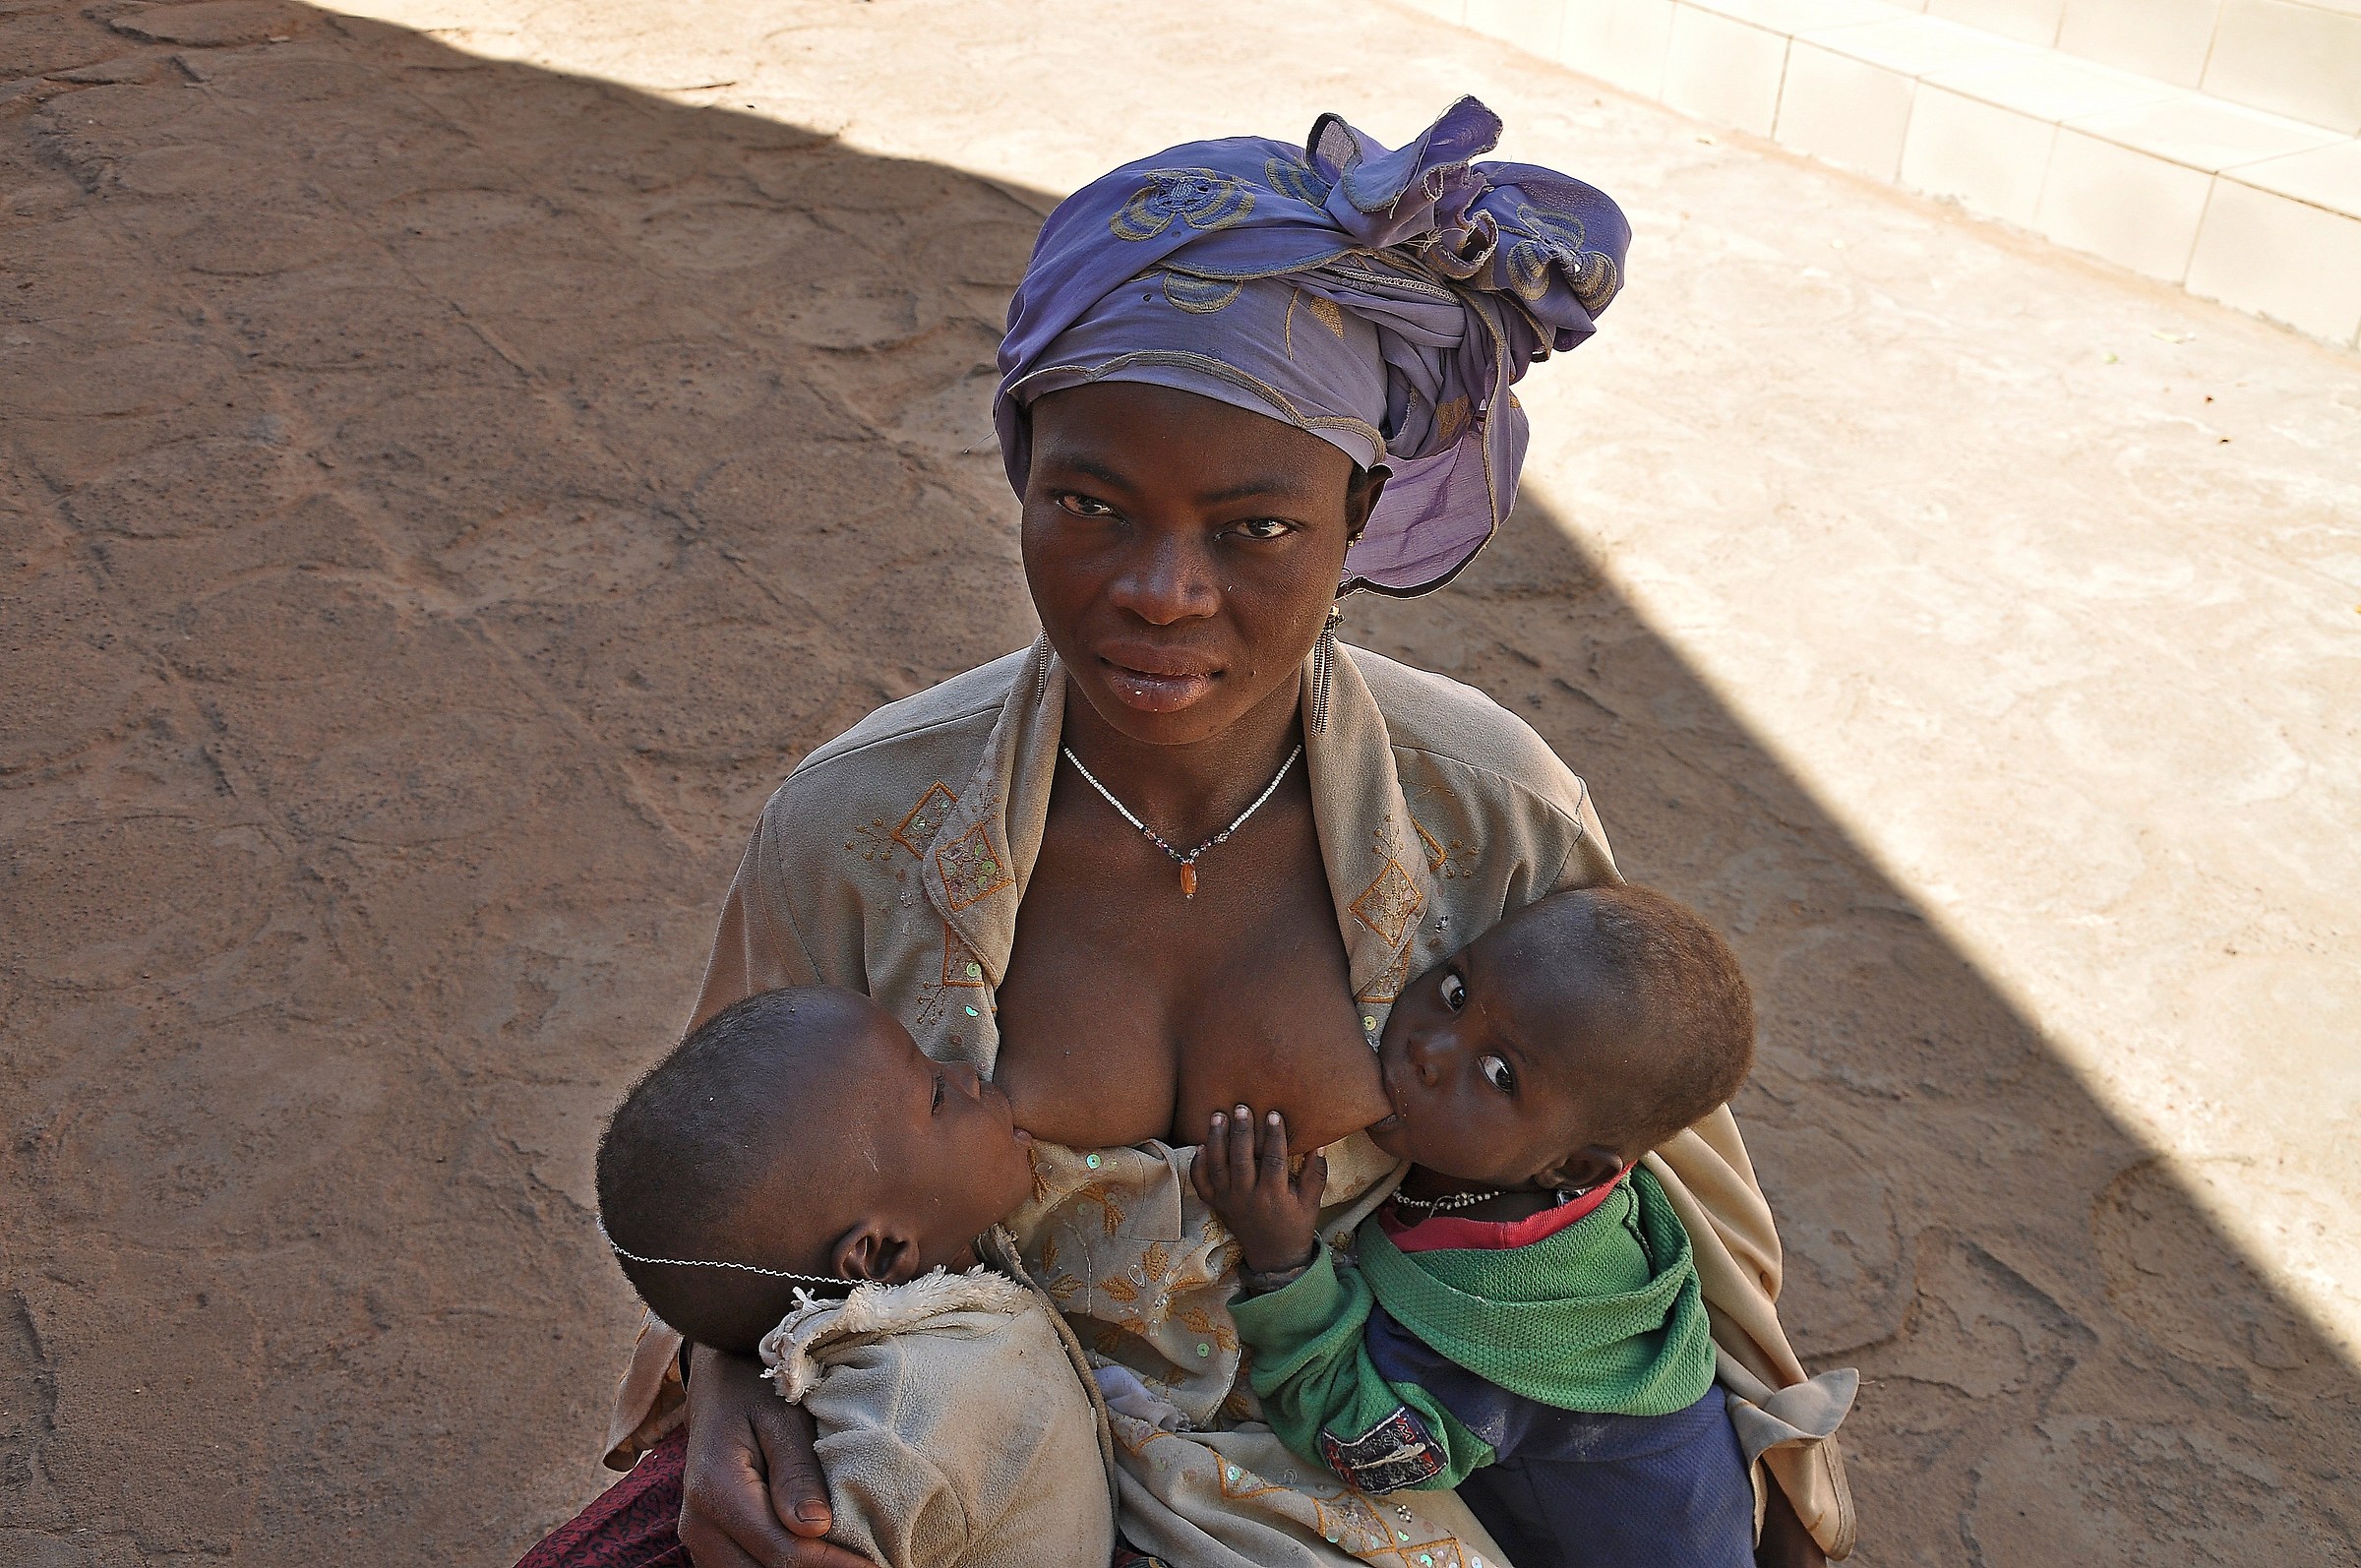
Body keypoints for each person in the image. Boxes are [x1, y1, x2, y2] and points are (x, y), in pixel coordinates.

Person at [524, 96, 1855, 1568]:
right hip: (969, 1479)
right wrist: (726, 1390)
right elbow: (728, 1220)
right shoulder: (860, 830)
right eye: (1088, 503)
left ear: (1360, 509)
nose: (1159, 589)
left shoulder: (1489, 812)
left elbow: (1681, 1217)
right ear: (1018, 469)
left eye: (1255, 528)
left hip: (1364, 1502)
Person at [1197, 884, 1816, 1568]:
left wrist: (1284, 1265)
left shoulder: (1510, 1319)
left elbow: (1368, 1442)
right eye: (1457, 992)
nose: (1430, 1047)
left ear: (1572, 1165)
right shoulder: (1554, 1194)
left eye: (1498, 1074)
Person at [581, 986, 1118, 1568]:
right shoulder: (904, 1428)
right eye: (938, 1095)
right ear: (880, 1253)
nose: (968, 1071)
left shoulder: (943, 1312)